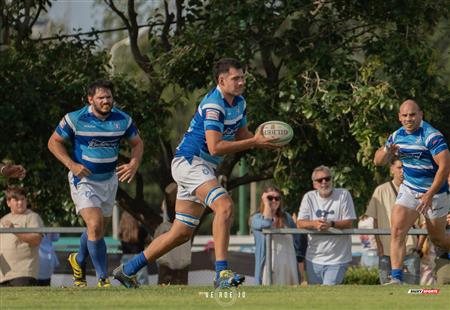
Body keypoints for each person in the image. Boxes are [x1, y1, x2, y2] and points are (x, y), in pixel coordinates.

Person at [113, 58, 279, 289]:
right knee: (225, 206)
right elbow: (215, 147)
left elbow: (243, 135)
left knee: (181, 232)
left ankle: (127, 270)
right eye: (236, 78)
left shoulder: (239, 103)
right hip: (190, 162)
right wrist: (254, 141)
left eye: (243, 77)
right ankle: (222, 274)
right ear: (222, 80)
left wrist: (262, 141)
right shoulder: (214, 105)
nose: (241, 82)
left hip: (200, 167)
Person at [48, 79, 144, 288]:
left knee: (98, 229)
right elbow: (53, 142)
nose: (106, 101)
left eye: (108, 97)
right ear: (90, 99)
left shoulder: (123, 119)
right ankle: (103, 278)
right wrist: (71, 164)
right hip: (84, 181)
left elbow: (137, 143)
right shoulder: (75, 119)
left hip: (109, 181)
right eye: (101, 97)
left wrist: (134, 163)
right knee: (94, 224)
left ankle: (78, 260)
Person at [373, 99, 450, 285]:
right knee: (397, 230)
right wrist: (386, 151)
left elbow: (445, 167)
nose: (409, 119)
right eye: (405, 115)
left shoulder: (432, 136)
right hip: (409, 189)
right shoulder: (396, 136)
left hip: (436, 192)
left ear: (421, 115)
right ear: (399, 117)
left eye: (413, 115)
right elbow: (378, 161)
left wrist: (430, 194)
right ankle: (396, 278)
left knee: (438, 238)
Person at [365, 158, 423, 284]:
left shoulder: (418, 190)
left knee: (411, 292)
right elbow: (375, 221)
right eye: (400, 167)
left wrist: (418, 248)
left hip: (410, 250)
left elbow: (423, 221)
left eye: (406, 167)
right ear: (392, 169)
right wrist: (379, 246)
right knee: (388, 293)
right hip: (386, 251)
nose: (403, 171)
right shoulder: (380, 190)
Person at [297, 165, 356, 285]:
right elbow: (299, 223)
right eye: (320, 180)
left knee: (328, 292)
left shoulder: (343, 195)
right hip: (313, 258)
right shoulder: (309, 197)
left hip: (338, 258)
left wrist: (331, 224)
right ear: (314, 184)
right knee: (316, 298)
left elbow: (349, 222)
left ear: (332, 180)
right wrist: (315, 224)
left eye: (327, 178)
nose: (324, 182)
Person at [251, 187, 306, 285]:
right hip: (268, 265)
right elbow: (266, 224)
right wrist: (267, 205)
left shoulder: (287, 217)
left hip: (288, 264)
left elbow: (298, 240)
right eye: (270, 198)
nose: (274, 201)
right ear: (264, 199)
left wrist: (300, 268)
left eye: (277, 198)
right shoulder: (256, 218)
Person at [0, 186, 43, 286]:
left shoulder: (32, 217)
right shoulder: (3, 219)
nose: (20, 202)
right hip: (3, 275)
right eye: (16, 200)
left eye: (23, 199)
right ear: (8, 203)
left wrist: (14, 231)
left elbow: (36, 240)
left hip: (24, 273)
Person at [118, 211, 150, 285]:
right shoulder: (141, 229)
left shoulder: (122, 231)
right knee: (142, 279)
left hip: (125, 257)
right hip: (139, 257)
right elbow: (149, 240)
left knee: (125, 277)